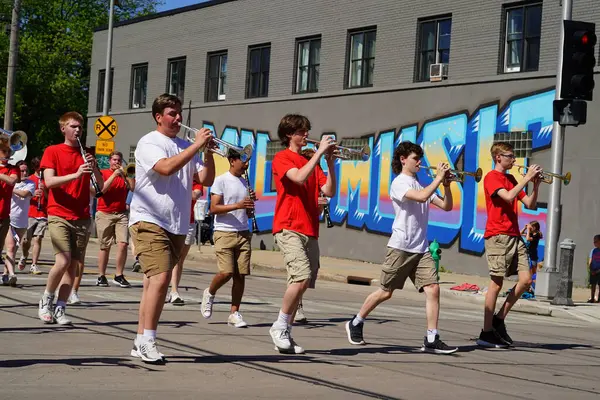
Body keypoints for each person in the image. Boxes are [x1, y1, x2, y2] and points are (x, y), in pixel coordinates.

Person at [344, 142, 458, 354]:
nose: (420, 163)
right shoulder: (399, 183)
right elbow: (422, 197)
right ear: (403, 159)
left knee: (433, 288)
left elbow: (446, 206)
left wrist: (447, 185)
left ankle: (431, 338)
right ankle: (356, 321)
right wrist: (438, 178)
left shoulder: (421, 184)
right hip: (401, 247)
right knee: (386, 292)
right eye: (416, 159)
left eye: (420, 159)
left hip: (421, 248)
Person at [128, 93, 215, 364]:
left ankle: (141, 339)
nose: (178, 118)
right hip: (149, 218)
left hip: (176, 222)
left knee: (152, 284)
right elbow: (165, 168)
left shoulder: (185, 145)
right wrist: (195, 147)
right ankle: (149, 340)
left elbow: (206, 178)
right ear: (158, 117)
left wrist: (208, 154)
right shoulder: (149, 142)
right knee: (161, 280)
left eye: (179, 113)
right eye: (171, 114)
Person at [268, 114, 336, 354]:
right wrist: (318, 154)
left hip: (310, 228)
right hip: (289, 226)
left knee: (302, 283)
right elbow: (297, 177)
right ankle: (279, 326)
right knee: (301, 276)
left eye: (307, 130)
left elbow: (329, 191)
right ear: (289, 134)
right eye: (302, 131)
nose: (306, 135)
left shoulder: (313, 164)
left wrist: (329, 162)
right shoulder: (282, 157)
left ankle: (286, 332)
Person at [37, 111, 104, 325]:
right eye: (73, 126)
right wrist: (76, 174)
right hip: (58, 213)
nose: (77, 130)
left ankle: (61, 307)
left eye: (80, 127)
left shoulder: (87, 154)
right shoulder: (53, 151)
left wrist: (94, 168)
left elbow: (99, 188)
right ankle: (46, 300)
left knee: (72, 266)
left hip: (82, 216)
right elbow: (49, 182)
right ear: (63, 128)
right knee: (63, 260)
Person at [476, 142, 541, 348]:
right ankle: (486, 332)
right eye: (510, 156)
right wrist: (527, 177)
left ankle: (499, 318)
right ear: (498, 157)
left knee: (526, 280)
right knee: (496, 283)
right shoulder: (491, 178)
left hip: (514, 235)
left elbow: (530, 204)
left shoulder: (512, 178)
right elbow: (509, 196)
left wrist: (536, 185)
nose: (514, 160)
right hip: (497, 235)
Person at [200, 149, 254, 327]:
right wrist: (237, 205)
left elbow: (248, 212)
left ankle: (234, 313)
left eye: (248, 161)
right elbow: (214, 208)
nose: (246, 164)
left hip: (243, 232)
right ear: (232, 161)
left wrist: (249, 206)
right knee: (226, 273)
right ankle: (210, 292)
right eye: (243, 160)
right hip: (224, 232)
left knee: (240, 276)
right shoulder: (220, 180)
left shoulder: (245, 182)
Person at [293, 147, 329, 324]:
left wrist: (320, 203)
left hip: (312, 230)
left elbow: (319, 205)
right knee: (300, 272)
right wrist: (315, 201)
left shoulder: (317, 172)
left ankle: (294, 301)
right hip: (296, 229)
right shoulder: (298, 173)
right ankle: (296, 306)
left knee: (312, 271)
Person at [94, 151, 134, 288]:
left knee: (123, 244)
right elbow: (102, 190)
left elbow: (133, 188)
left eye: (119, 160)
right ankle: (101, 275)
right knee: (105, 246)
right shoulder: (104, 173)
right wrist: (114, 175)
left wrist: (126, 175)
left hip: (121, 213)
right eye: (114, 160)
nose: (116, 162)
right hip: (104, 213)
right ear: (110, 161)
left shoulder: (124, 174)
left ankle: (119, 275)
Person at [167, 182, 203, 305]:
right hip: (169, 220)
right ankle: (169, 289)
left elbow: (195, 195)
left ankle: (173, 291)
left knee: (179, 259)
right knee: (166, 258)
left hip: (188, 222)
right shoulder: (173, 176)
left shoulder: (196, 182)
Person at [3, 161, 33, 286]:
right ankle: (12, 274)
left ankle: (5, 274)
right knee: (10, 247)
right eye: (22, 170)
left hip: (22, 221)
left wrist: (12, 187)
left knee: (14, 248)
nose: (24, 173)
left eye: (26, 170)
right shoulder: (9, 181)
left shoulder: (30, 184)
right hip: (9, 218)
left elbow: (25, 194)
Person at [20, 156, 48, 275]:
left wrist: (45, 191)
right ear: (34, 168)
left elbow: (50, 198)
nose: (40, 171)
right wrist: (33, 194)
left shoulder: (47, 180)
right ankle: (24, 255)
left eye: (42, 168)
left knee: (38, 239)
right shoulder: (29, 179)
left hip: (42, 213)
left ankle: (34, 264)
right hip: (30, 213)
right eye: (38, 168)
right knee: (26, 240)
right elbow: (22, 197)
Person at [0, 145, 19, 286]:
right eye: (3, 151)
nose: (6, 154)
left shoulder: (12, 168)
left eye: (8, 152)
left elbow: (12, 181)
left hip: (3, 215)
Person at [521, 220, 543, 291]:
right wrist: (525, 228)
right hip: (527, 254)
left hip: (533, 255)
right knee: (527, 271)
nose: (529, 228)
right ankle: (528, 287)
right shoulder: (530, 233)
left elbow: (528, 238)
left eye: (531, 227)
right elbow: (520, 234)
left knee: (533, 272)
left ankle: (534, 287)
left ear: (535, 227)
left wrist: (528, 230)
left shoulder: (537, 234)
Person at [588, 234, 600, 303]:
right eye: (594, 242)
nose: (594, 243)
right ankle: (592, 298)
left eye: (596, 241)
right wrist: (591, 269)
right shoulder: (593, 250)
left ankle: (599, 299)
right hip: (593, 270)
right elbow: (590, 260)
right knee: (593, 285)